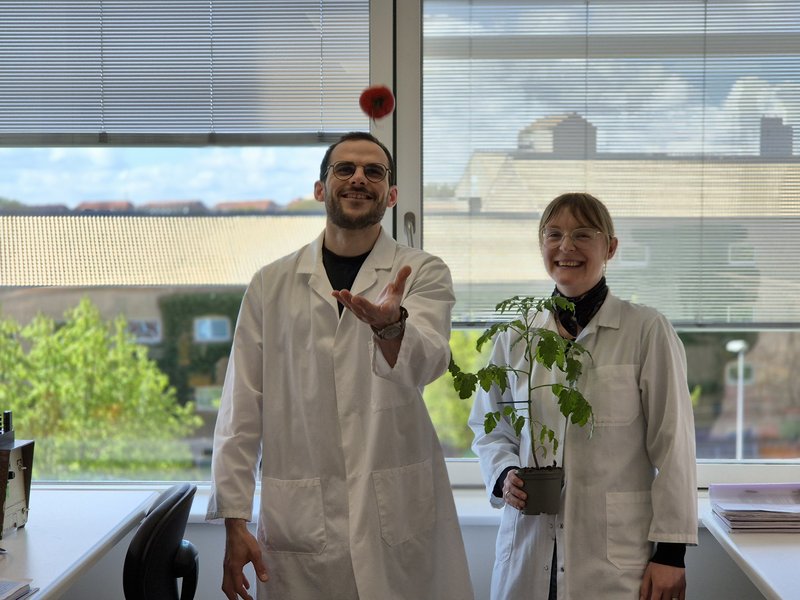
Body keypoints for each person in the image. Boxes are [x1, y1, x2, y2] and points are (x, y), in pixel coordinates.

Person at [207, 131, 474, 600]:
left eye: (374, 171)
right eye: (344, 169)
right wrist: (235, 520)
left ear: (391, 195)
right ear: (320, 188)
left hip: (397, 511)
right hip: (302, 518)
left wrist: (391, 327)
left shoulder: (422, 272)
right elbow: (240, 407)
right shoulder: (271, 284)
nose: (358, 179)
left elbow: (429, 362)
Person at [469, 192, 698, 600]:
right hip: (527, 548)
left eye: (582, 235)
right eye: (553, 234)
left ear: (610, 247)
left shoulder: (646, 331)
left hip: (614, 562)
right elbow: (489, 427)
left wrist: (671, 554)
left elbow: (674, 446)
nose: (566, 247)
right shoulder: (516, 335)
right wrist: (503, 475)